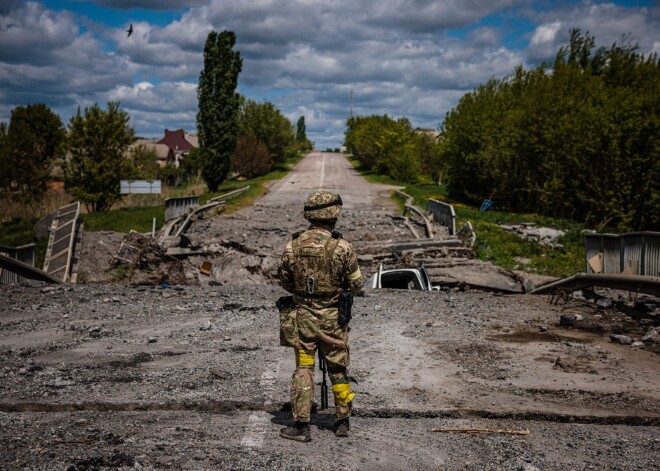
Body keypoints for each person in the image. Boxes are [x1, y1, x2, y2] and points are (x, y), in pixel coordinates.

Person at [277, 190, 363, 442]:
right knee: (337, 368)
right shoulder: (342, 247)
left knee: (304, 366)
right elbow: (357, 285)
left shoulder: (292, 245)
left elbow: (284, 281)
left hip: (302, 319)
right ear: (333, 215)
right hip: (334, 321)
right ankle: (342, 421)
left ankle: (301, 426)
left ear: (309, 215)